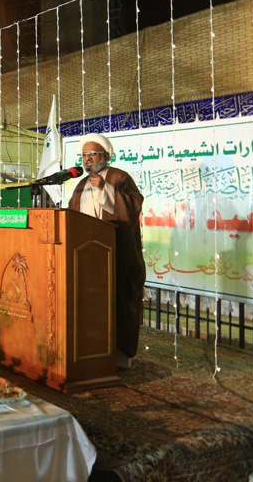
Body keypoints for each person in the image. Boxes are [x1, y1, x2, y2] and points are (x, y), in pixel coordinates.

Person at [67, 132, 146, 370]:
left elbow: (134, 205)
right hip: (88, 257)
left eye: (93, 154)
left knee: (118, 304)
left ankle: (120, 356)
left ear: (106, 155)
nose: (88, 159)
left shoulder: (119, 177)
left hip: (117, 254)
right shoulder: (80, 184)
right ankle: (92, 352)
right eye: (84, 155)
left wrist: (106, 190)